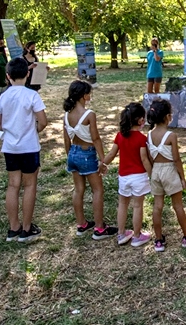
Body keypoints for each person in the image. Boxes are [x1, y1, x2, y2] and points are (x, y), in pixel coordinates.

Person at [0, 57, 48, 243]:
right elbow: (43, 120)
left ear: (7, 76)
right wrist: (34, 130)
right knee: (30, 185)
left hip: (10, 147)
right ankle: (26, 227)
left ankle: (13, 227)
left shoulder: (4, 96)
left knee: (13, 185)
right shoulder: (32, 95)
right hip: (29, 146)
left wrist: (10, 130)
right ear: (28, 73)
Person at [62, 81, 117, 239]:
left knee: (79, 189)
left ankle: (81, 224)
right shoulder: (89, 114)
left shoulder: (66, 115)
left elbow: (66, 140)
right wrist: (103, 159)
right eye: (88, 93)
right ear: (83, 95)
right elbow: (96, 138)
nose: (90, 96)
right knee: (97, 190)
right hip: (87, 154)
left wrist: (70, 155)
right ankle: (99, 228)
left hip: (73, 153)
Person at [146, 99, 186, 251]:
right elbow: (176, 159)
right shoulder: (171, 136)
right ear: (167, 117)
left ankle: (158, 240)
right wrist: (182, 177)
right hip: (169, 171)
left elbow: (151, 157)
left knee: (157, 207)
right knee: (178, 205)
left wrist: (153, 172)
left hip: (156, 170)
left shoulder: (149, 135)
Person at [102, 103, 153, 247]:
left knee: (122, 204)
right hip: (139, 177)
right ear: (140, 120)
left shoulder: (120, 136)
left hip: (123, 177)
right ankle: (137, 236)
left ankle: (121, 233)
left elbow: (112, 153)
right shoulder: (142, 139)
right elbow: (144, 159)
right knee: (137, 206)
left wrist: (103, 164)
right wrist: (152, 175)